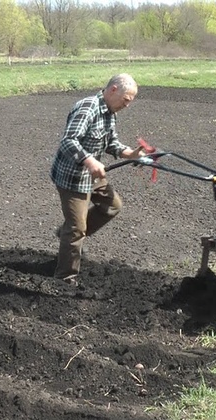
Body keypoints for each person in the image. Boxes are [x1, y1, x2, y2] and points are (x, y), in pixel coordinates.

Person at [49, 73, 144, 287]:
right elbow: (68, 141)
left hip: (93, 177)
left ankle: (68, 236)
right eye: (126, 100)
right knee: (76, 229)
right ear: (113, 90)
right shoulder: (88, 107)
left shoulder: (110, 112)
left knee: (112, 206)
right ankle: (65, 278)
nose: (127, 105)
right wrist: (90, 161)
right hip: (73, 178)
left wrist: (131, 154)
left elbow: (112, 142)